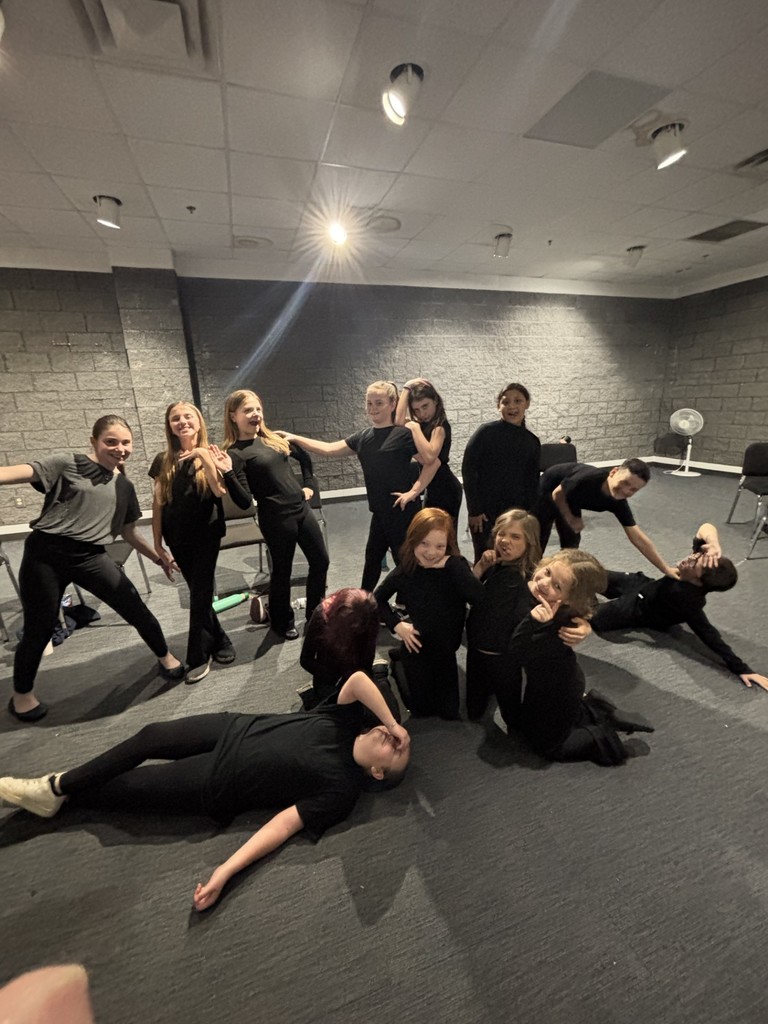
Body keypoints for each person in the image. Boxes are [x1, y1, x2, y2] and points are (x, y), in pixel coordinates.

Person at [0, 670, 411, 911]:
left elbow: (283, 825)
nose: (393, 741)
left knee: (123, 789)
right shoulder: (344, 719)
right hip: (231, 727)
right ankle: (56, 786)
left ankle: (58, 793)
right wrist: (394, 724)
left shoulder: (342, 790)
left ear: (377, 773)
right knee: (151, 735)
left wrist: (226, 871)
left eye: (394, 753)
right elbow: (359, 679)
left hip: (218, 782)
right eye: (395, 739)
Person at [0, 415, 184, 723]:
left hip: (90, 556)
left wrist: (160, 557)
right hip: (45, 554)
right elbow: (14, 473)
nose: (119, 448)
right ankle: (21, 696)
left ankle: (165, 656)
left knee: (133, 605)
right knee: (40, 626)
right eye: (110, 442)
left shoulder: (124, 486)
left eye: (126, 443)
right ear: (94, 442)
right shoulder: (66, 462)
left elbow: (129, 533)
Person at [280, 381, 440, 591]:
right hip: (380, 511)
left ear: (393, 404)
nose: (373, 408)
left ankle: (411, 607)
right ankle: (363, 603)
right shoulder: (364, 437)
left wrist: (414, 491)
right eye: (369, 403)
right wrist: (295, 438)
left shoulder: (403, 434)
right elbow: (328, 449)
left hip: (402, 511)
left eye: (379, 403)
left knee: (405, 563)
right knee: (372, 559)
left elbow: (432, 462)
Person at [507, 549, 654, 766]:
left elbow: (515, 651)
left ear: (570, 599)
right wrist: (586, 625)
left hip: (558, 689)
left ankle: (604, 731)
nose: (544, 582)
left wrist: (532, 621)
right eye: (547, 572)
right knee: (530, 725)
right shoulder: (540, 593)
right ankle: (600, 709)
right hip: (546, 682)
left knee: (548, 746)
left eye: (557, 586)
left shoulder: (552, 621)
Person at [591, 522, 768, 692]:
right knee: (589, 574)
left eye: (694, 564)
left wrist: (742, 669)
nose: (690, 558)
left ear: (697, 582)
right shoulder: (695, 567)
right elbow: (706, 527)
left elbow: (709, 635)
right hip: (641, 585)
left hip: (638, 611)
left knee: (592, 617)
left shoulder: (689, 601)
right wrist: (713, 544)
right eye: (697, 555)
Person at [217, 390, 329, 641]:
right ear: (233, 416)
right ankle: (281, 621)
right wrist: (227, 472)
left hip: (301, 509)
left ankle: (314, 615)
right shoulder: (235, 454)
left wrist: (308, 483)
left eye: (257, 409)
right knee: (282, 572)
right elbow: (245, 502)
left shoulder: (274, 439)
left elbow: (304, 458)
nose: (255, 414)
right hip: (276, 518)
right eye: (248, 410)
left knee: (321, 562)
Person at [465, 508, 591, 724]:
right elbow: (472, 596)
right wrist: (480, 567)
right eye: (501, 534)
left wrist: (584, 623)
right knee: (473, 711)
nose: (505, 541)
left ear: (529, 542)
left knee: (513, 717)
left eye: (516, 537)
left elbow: (573, 601)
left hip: (504, 658)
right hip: (476, 650)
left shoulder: (531, 581)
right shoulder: (496, 565)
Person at [149, 402, 236, 684]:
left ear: (198, 422)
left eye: (188, 417)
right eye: (176, 418)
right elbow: (158, 503)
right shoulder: (163, 460)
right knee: (199, 593)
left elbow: (218, 489)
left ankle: (197, 656)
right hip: (177, 537)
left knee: (199, 593)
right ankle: (221, 639)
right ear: (169, 425)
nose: (182, 421)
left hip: (207, 533)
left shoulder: (210, 453)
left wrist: (202, 456)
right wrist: (158, 544)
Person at [375, 507, 484, 719]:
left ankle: (398, 659)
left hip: (445, 651)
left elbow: (480, 598)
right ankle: (397, 663)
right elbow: (376, 599)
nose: (431, 552)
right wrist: (397, 625)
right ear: (413, 540)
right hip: (417, 646)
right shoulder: (407, 569)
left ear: (448, 545)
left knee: (449, 711)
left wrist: (453, 566)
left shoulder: (455, 567)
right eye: (424, 543)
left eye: (439, 546)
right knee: (421, 710)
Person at [534, 458, 676, 575]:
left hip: (573, 498)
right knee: (538, 539)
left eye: (633, 489)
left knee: (571, 545)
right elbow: (557, 495)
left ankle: (561, 578)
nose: (626, 490)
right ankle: (527, 577)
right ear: (613, 472)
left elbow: (638, 538)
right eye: (625, 482)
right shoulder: (587, 478)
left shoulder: (618, 502)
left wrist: (665, 569)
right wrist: (571, 518)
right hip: (549, 489)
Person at [461, 383, 541, 562]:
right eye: (506, 402)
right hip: (484, 512)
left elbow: (532, 482)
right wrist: (474, 510)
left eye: (518, 401)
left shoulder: (532, 441)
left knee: (512, 558)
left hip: (515, 511)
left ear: (527, 404)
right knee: (486, 557)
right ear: (499, 406)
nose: (512, 406)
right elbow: (468, 470)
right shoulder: (486, 432)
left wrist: (529, 515)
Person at [395, 378, 463, 531]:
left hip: (447, 489)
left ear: (436, 402)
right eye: (416, 410)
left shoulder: (440, 426)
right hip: (431, 487)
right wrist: (406, 388)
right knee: (428, 533)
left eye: (425, 406)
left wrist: (414, 427)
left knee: (445, 538)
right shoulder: (420, 424)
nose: (422, 413)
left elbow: (430, 457)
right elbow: (398, 422)